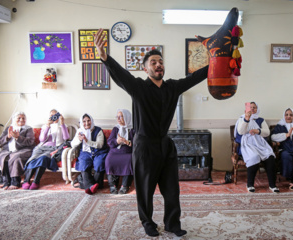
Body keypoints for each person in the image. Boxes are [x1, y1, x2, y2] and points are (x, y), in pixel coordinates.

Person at [94, 28, 208, 237]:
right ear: (146, 69)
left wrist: (217, 65)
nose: (158, 65)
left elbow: (195, 77)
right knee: (145, 190)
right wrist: (104, 57)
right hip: (144, 146)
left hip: (165, 145)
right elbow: (121, 74)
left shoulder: (172, 87)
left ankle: (173, 223)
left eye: (160, 62)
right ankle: (147, 223)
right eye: (153, 62)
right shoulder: (138, 87)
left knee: (172, 189)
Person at [234, 102, 279, 193]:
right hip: (247, 144)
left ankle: (272, 185)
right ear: (246, 110)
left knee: (270, 157)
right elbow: (241, 132)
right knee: (254, 157)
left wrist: (257, 131)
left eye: (254, 108)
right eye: (250, 108)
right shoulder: (241, 119)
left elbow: (267, 132)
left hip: (260, 144)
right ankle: (250, 184)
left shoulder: (260, 120)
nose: (252, 109)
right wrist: (246, 119)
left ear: (257, 109)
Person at [22, 109, 69, 190]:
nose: (53, 117)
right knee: (33, 158)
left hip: (54, 148)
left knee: (43, 158)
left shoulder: (62, 126)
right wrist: (47, 126)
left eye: (55, 115)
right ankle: (26, 181)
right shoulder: (45, 126)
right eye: (51, 115)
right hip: (42, 147)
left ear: (58, 117)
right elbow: (42, 139)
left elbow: (66, 138)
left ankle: (36, 181)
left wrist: (62, 123)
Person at [71, 113, 108, 195]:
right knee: (83, 163)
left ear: (91, 121)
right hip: (85, 152)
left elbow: (100, 144)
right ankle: (93, 186)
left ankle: (89, 185)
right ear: (81, 122)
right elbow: (72, 144)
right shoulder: (80, 131)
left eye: (88, 121)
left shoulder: (98, 130)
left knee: (99, 163)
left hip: (99, 151)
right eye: (84, 121)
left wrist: (88, 141)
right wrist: (79, 140)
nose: (86, 123)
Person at [0, 112, 35, 190]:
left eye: (23, 118)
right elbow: (0, 141)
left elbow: (30, 142)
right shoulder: (9, 128)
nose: (21, 120)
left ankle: (15, 181)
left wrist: (18, 137)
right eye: (19, 118)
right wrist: (8, 137)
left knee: (16, 157)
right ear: (14, 119)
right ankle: (7, 181)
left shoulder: (28, 129)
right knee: (3, 157)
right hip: (8, 150)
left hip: (24, 150)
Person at [105, 109, 135, 194]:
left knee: (129, 160)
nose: (118, 119)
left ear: (127, 117)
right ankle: (112, 185)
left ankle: (125, 185)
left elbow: (137, 143)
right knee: (109, 160)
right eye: (117, 117)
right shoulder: (116, 128)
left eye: (121, 116)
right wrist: (117, 141)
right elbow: (110, 142)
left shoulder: (133, 129)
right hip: (115, 152)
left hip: (127, 152)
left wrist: (127, 142)